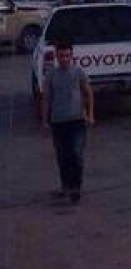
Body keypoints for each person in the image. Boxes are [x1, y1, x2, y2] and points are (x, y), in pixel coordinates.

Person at [40, 38, 94, 203]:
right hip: (58, 122)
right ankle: (66, 186)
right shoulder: (51, 75)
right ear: (56, 56)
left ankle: (76, 188)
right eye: (61, 55)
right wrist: (44, 121)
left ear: (72, 56)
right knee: (62, 157)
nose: (64, 59)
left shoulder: (78, 72)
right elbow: (46, 99)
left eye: (67, 55)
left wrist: (90, 114)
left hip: (77, 120)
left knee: (76, 154)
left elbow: (88, 93)